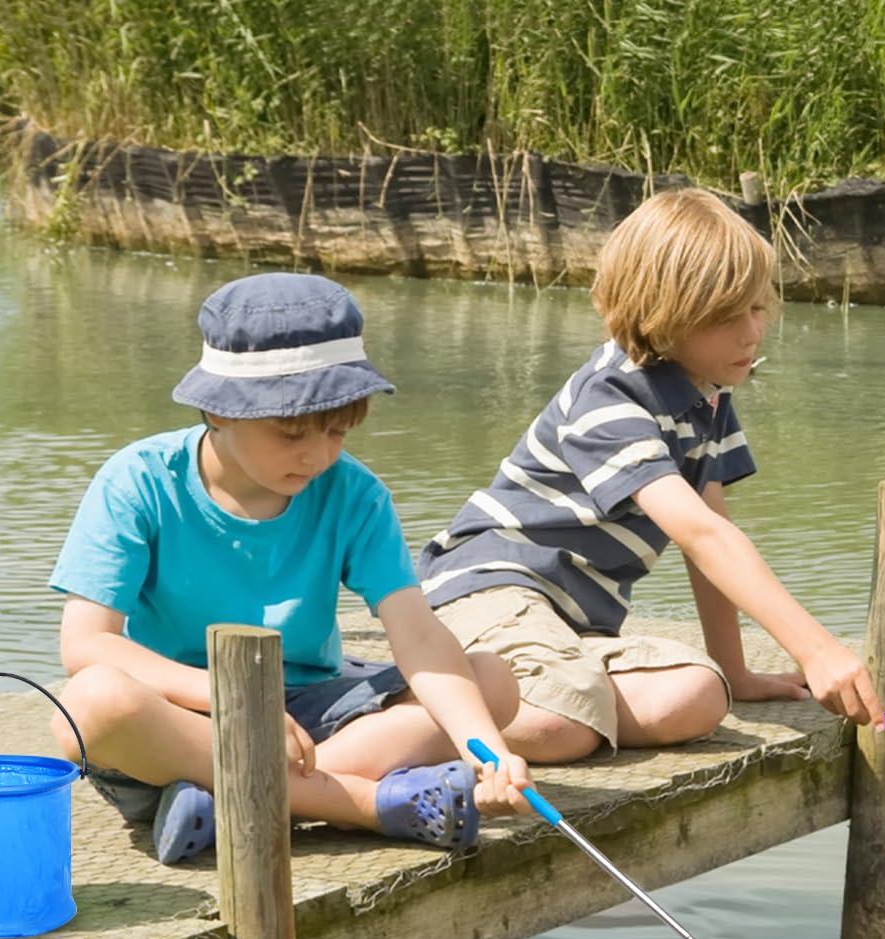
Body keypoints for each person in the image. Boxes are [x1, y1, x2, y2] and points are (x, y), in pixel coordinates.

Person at [46, 271, 532, 865]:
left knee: (492, 684)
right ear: (218, 411)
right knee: (90, 704)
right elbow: (86, 645)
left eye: (337, 431)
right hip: (185, 719)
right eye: (291, 432)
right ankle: (361, 803)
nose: (318, 455)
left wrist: (488, 755)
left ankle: (226, 801)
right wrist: (237, 705)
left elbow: (420, 636)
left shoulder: (355, 493)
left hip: (312, 714)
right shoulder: (137, 481)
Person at [419, 187, 882, 763]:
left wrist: (735, 671)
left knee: (698, 695)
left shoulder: (708, 395)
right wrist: (815, 649)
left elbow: (710, 534)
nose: (752, 333)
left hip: (576, 626)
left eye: (757, 308)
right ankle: (422, 706)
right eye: (726, 317)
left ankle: (537, 701)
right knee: (559, 729)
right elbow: (700, 534)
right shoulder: (608, 398)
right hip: (492, 590)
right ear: (664, 317)